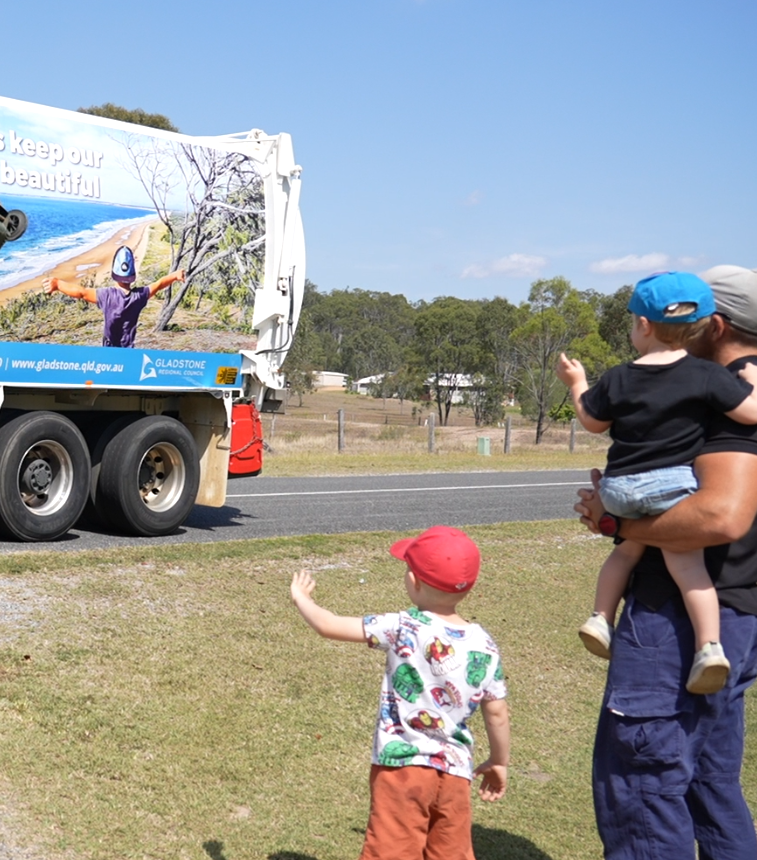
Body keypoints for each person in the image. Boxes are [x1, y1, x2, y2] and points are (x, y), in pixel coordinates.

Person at [574, 264, 757, 859]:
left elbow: (720, 517)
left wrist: (612, 519)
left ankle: (602, 614)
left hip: (673, 622)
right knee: (709, 784)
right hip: (738, 611)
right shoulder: (733, 392)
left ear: (716, 326)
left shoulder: (712, 391)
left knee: (642, 790)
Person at [555, 271, 757, 694]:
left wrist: (577, 384)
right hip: (672, 488)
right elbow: (750, 413)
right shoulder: (708, 378)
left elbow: (592, 421)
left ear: (643, 325)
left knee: (624, 554)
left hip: (618, 489)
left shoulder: (619, 376)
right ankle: (710, 647)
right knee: (689, 567)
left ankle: (599, 618)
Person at [290, 526, 510, 859]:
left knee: (392, 848)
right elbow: (497, 712)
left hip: (401, 766)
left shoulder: (403, 626)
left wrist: (301, 598)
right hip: (455, 774)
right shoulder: (486, 645)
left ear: (415, 581)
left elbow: (328, 625)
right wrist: (499, 761)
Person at [41, 244, 185, 347]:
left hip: (109, 351)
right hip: (127, 350)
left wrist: (58, 284)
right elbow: (159, 284)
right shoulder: (139, 296)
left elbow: (82, 293)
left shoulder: (106, 296)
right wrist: (175, 275)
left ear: (114, 273)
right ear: (133, 275)